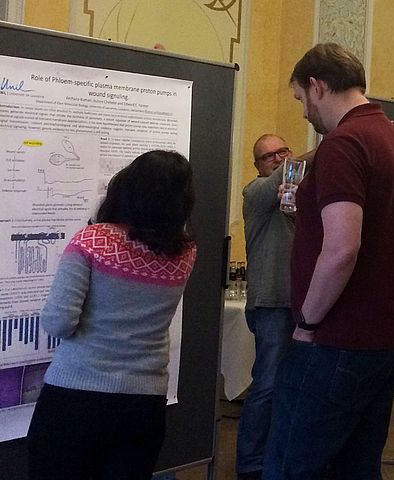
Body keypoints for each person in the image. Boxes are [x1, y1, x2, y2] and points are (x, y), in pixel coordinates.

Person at [263, 43, 394, 479]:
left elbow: (342, 249)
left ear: (317, 86)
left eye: (300, 98)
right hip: (387, 334)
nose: (303, 112)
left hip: (339, 336)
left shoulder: (343, 144)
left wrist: (307, 322)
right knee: (357, 465)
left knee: (292, 464)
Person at [27, 150, 197, 480]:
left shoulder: (92, 240)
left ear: (128, 186)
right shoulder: (186, 252)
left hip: (76, 397)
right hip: (144, 403)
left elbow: (59, 323)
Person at [236, 134, 298, 480]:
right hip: (271, 303)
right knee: (268, 385)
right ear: (257, 166)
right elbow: (287, 172)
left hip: (303, 304)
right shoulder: (255, 191)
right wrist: (334, 142)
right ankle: (250, 463)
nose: (277, 159)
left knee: (291, 387)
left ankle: (279, 456)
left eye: (282, 152)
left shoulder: (300, 195)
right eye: (268, 156)